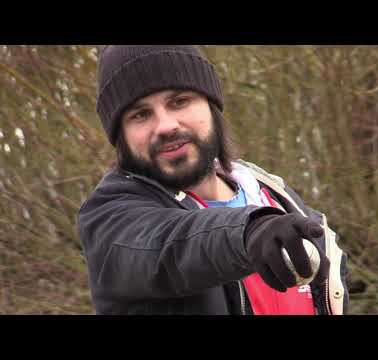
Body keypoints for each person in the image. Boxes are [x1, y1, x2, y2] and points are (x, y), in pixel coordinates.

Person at [77, 45, 349, 315]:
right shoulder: (111, 220)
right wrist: (249, 231)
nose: (165, 125)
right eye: (140, 115)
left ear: (211, 105)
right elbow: (172, 244)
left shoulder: (274, 195)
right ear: (121, 136)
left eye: (179, 101)